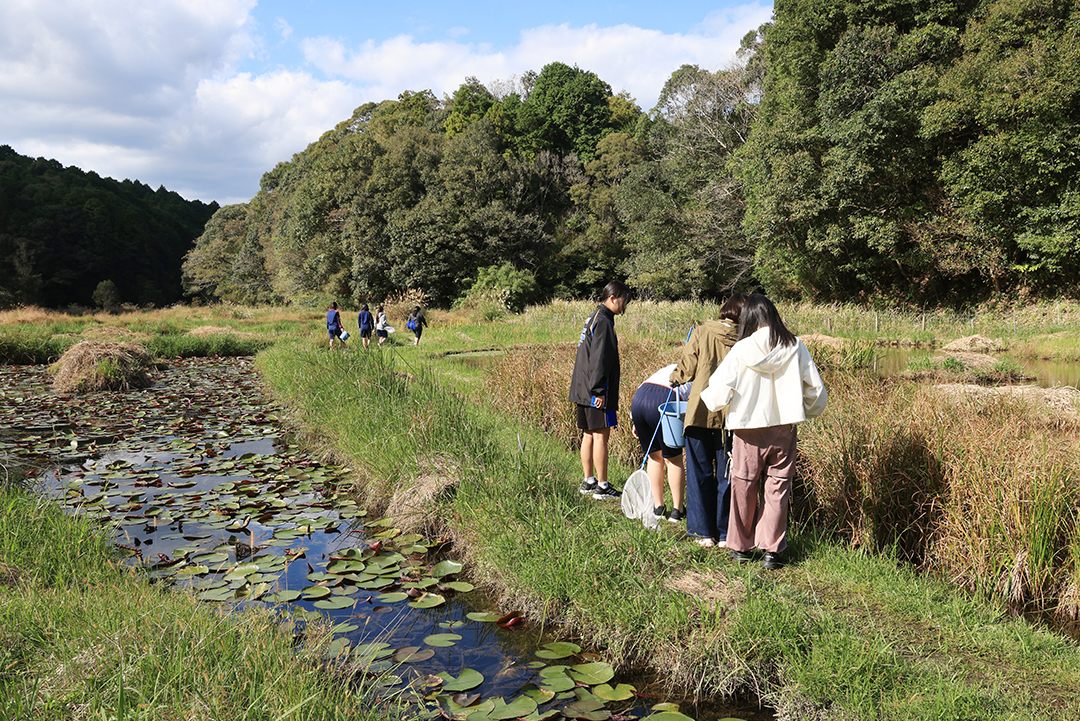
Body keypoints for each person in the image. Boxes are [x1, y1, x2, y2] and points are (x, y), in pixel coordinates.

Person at [700, 294, 827, 570]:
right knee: (778, 487)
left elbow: (717, 389)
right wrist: (804, 411)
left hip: (747, 428)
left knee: (743, 486)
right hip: (783, 427)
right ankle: (771, 551)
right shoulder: (795, 345)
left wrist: (716, 404)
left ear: (750, 319)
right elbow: (816, 391)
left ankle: (741, 547)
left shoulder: (742, 349)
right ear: (773, 314)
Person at [669, 293, 746, 548]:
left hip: (700, 411)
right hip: (730, 416)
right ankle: (725, 534)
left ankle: (704, 533)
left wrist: (674, 377)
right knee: (727, 474)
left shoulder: (702, 332)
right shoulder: (746, 340)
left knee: (699, 471)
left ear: (724, 311)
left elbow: (686, 369)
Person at [568, 280, 631, 500]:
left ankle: (589, 481)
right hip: (595, 389)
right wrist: (599, 391)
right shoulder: (603, 321)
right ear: (613, 297)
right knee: (601, 436)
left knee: (588, 434)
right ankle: (602, 487)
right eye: (624, 300)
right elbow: (600, 360)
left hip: (581, 387)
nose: (626, 305)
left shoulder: (593, 317)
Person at [630, 364, 690, 523]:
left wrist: (635, 421)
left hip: (640, 399)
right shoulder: (698, 371)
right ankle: (678, 510)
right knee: (673, 459)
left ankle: (658, 507)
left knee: (654, 457)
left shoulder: (670, 367)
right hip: (665, 399)